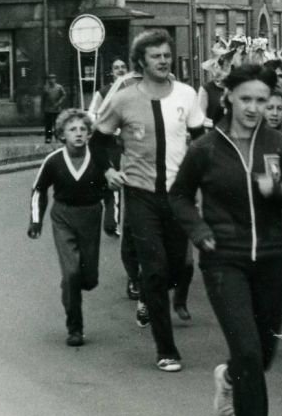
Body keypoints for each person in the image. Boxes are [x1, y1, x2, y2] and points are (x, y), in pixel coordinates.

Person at [169, 62, 282, 416]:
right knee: (249, 352)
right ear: (229, 97)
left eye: (262, 100)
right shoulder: (206, 149)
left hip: (271, 258)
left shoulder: (279, 145)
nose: (253, 108)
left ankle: (229, 375)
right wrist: (199, 231)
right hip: (223, 258)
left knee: (262, 355)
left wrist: (278, 190)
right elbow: (179, 197)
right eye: (246, 99)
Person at [91, 29, 205, 372]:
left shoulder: (186, 94)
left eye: (167, 55)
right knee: (154, 270)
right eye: (156, 56)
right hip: (141, 194)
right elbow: (98, 141)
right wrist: (108, 171)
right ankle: (166, 350)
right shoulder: (123, 99)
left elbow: (200, 141)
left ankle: (147, 293)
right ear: (141, 61)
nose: (163, 61)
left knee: (178, 268)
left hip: (178, 194)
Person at [28, 109, 106, 347]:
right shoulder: (53, 161)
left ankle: (73, 284)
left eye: (83, 129)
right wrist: (36, 220)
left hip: (91, 215)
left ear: (89, 134)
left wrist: (113, 218)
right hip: (63, 217)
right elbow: (39, 190)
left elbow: (112, 189)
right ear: (62, 135)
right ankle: (75, 328)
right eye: (72, 129)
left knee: (89, 278)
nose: (78, 134)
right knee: (72, 273)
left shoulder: (98, 159)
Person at [89, 58, 133, 238]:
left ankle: (114, 222)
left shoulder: (134, 89)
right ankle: (110, 222)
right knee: (112, 177)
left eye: (123, 67)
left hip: (131, 140)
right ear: (111, 72)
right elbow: (93, 113)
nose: (120, 70)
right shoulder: (103, 92)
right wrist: (106, 125)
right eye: (116, 68)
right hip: (109, 140)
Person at [41, 74, 67, 143]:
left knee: (57, 125)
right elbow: (43, 99)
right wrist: (43, 108)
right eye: (50, 79)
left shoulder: (59, 87)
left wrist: (59, 102)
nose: (51, 80)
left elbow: (64, 95)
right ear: (48, 80)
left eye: (53, 78)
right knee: (48, 125)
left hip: (56, 109)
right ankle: (48, 138)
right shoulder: (46, 88)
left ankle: (57, 137)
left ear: (55, 79)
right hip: (48, 109)